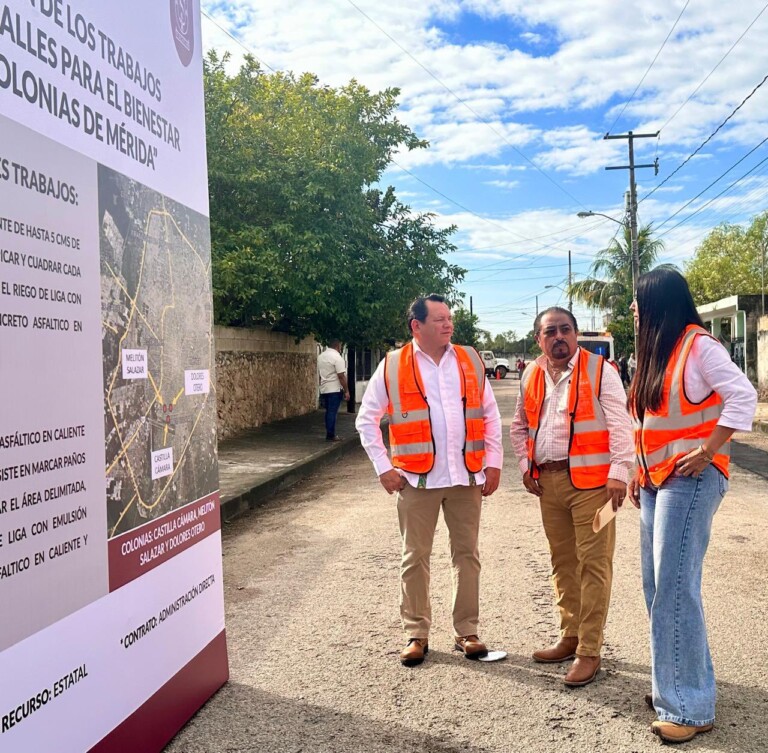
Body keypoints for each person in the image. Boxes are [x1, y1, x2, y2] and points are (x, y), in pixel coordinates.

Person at [627, 268, 756, 744]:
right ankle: (675, 687)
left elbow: (743, 396)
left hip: (692, 480)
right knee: (656, 586)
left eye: (638, 302)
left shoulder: (699, 345)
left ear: (660, 304)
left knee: (675, 589)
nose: (633, 310)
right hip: (656, 481)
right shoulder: (659, 352)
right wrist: (638, 474)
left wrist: (708, 450)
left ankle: (689, 706)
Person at [356, 294, 503, 667]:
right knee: (415, 557)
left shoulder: (469, 359)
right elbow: (366, 420)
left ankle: (466, 631)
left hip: (466, 476)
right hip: (415, 481)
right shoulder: (392, 365)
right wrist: (383, 468)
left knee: (467, 555)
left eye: (449, 318)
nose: (448, 324)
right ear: (416, 326)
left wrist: (495, 463)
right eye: (438, 319)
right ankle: (416, 634)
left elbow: (489, 414)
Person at [509, 307, 634, 686]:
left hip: (594, 486)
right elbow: (519, 426)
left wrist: (619, 473)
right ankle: (571, 635)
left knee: (593, 565)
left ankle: (589, 651)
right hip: (548, 483)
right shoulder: (531, 373)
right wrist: (525, 466)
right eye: (551, 331)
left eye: (566, 329)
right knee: (562, 563)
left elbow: (621, 424)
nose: (559, 337)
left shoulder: (601, 371)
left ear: (576, 335)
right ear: (539, 339)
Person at [317, 339, 350, 441]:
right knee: (332, 412)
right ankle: (330, 434)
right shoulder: (337, 358)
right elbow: (341, 376)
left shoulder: (321, 357)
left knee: (328, 412)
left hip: (324, 388)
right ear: (338, 346)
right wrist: (347, 391)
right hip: (334, 389)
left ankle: (329, 432)